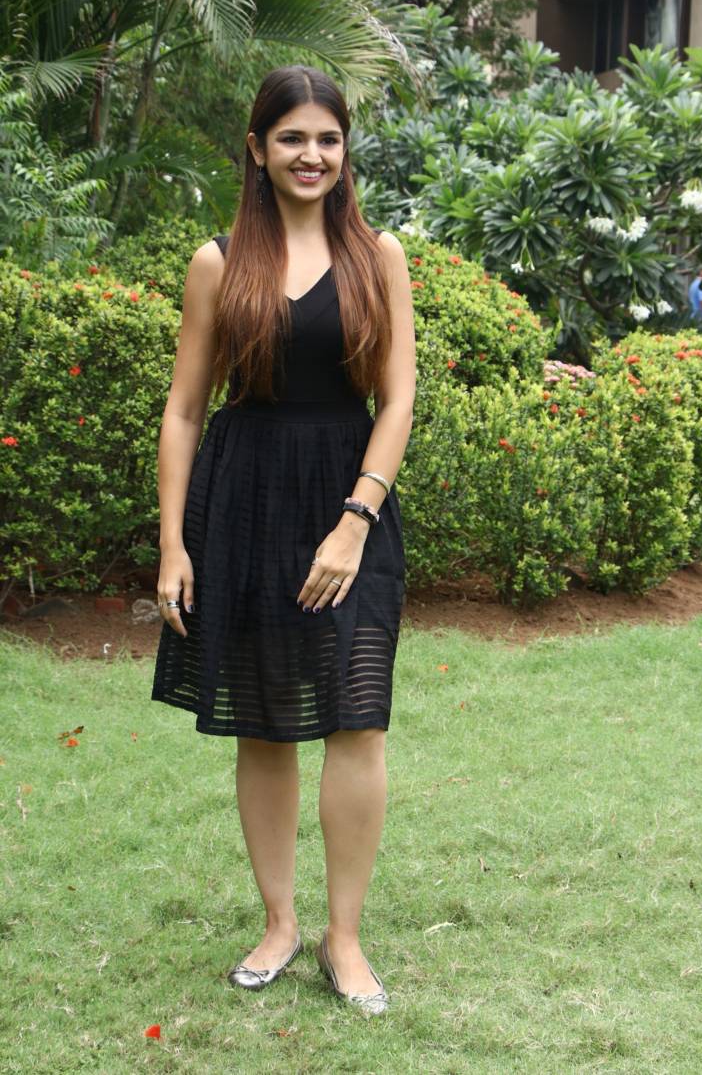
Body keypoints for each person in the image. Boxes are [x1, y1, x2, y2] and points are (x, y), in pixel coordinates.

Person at [150, 65, 416, 1016]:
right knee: (263, 720)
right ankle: (279, 924)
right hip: (247, 501)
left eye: (328, 139)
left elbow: (399, 400)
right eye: (293, 138)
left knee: (357, 718)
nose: (312, 155)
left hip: (351, 502)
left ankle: (345, 939)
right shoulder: (219, 261)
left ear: (346, 151)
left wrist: (356, 519)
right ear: (257, 150)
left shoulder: (379, 255)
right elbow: (185, 411)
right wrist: (173, 544)